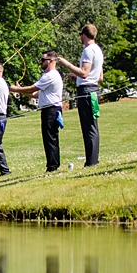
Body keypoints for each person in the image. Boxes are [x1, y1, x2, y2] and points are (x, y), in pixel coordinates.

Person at [57, 24, 104, 166]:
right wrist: (75, 77)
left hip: (86, 92)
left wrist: (66, 64)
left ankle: (91, 162)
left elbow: (84, 72)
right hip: (94, 89)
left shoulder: (88, 50)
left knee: (87, 127)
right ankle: (93, 159)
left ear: (83, 35)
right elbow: (99, 77)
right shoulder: (98, 50)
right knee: (92, 126)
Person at [12, 51, 64, 172]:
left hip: (50, 110)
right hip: (50, 110)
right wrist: (19, 91)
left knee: (50, 138)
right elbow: (36, 94)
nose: (40, 62)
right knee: (50, 138)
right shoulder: (51, 75)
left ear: (51, 61)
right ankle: (53, 164)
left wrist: (15, 88)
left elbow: (32, 88)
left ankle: (52, 166)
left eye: (43, 60)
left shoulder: (50, 75)